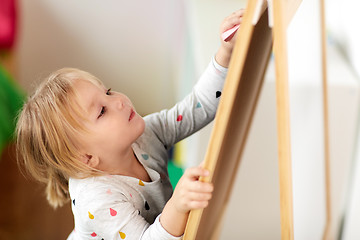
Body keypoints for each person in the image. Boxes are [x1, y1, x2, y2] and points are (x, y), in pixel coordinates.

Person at [16, 9, 244, 240]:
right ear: (86, 158)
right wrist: (177, 206)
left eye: (108, 91)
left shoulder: (144, 134)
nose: (119, 101)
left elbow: (199, 106)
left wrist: (225, 53)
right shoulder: (98, 202)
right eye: (102, 111)